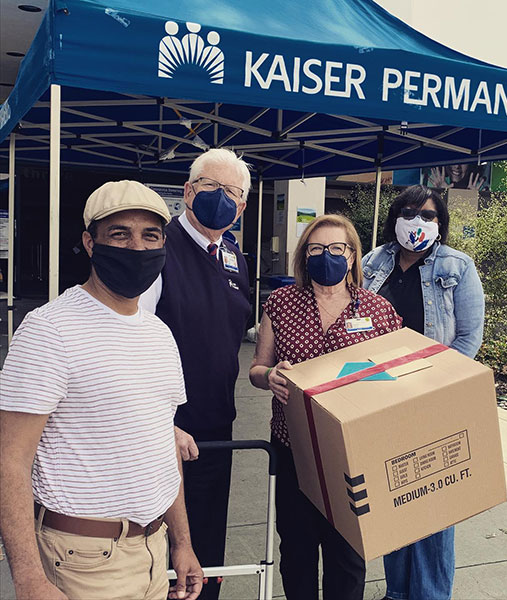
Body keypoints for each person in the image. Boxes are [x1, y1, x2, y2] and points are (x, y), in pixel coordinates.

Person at [0, 180, 203, 600]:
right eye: (119, 234)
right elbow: (9, 460)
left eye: (151, 236)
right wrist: (29, 578)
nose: (137, 247)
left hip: (154, 550)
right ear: (90, 244)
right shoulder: (48, 330)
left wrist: (182, 543)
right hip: (82, 561)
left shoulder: (160, 334)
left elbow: (162, 444)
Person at [249, 214, 402, 600]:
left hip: (354, 452)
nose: (327, 256)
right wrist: (270, 376)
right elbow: (256, 368)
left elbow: (399, 375)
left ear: (352, 256)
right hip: (294, 447)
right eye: (316, 249)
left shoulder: (378, 310)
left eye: (337, 249)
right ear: (304, 256)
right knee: (297, 550)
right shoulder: (282, 302)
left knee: (348, 555)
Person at [362, 184, 485, 600]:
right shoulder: (373, 261)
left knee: (434, 500)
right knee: (393, 497)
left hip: (433, 399)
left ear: (440, 222)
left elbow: (469, 336)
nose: (419, 221)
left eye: (429, 215)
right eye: (411, 212)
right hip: (381, 398)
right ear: (395, 216)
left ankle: (430, 594)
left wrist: (436, 382)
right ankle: (397, 592)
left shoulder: (458, 265)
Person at [140, 148, 252, 600]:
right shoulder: (157, 249)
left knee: (207, 550)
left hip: (215, 429)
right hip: (165, 432)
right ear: (188, 190)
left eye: (231, 192)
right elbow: (133, 340)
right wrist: (160, 423)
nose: (220, 198)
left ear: (242, 207)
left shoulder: (233, 256)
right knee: (164, 554)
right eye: (210, 186)